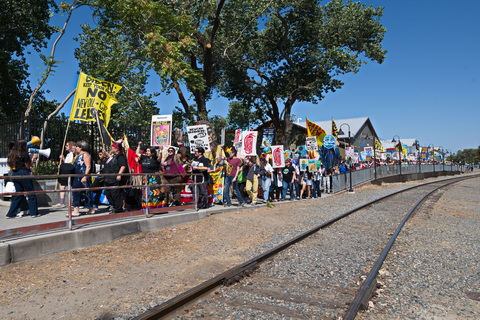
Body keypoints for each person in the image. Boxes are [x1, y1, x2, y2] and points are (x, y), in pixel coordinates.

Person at [6, 140, 40, 218]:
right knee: (31, 193)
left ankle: (11, 214)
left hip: (15, 175)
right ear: (23, 146)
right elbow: (28, 166)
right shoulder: (24, 154)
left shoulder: (12, 154)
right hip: (24, 174)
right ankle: (34, 213)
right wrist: (33, 159)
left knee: (18, 194)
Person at [71, 140, 94, 216]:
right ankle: (79, 208)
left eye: (77, 146)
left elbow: (88, 166)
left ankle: (79, 209)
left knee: (85, 192)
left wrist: (85, 176)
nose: (75, 148)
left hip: (82, 176)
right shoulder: (78, 155)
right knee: (77, 192)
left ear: (81, 147)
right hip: (77, 176)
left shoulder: (85, 154)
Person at [104, 143, 129, 213]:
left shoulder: (120, 157)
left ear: (116, 149)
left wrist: (119, 174)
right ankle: (113, 206)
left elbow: (123, 166)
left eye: (112, 148)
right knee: (108, 193)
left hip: (114, 179)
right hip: (108, 179)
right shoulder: (113, 156)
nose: (111, 149)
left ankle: (118, 209)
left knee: (115, 193)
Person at [52, 141, 76, 208]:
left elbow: (69, 164)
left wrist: (63, 164)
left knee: (65, 186)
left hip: (68, 172)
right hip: (66, 171)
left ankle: (69, 202)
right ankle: (62, 202)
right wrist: (63, 159)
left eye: (67, 145)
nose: (66, 146)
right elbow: (66, 163)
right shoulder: (69, 154)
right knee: (62, 186)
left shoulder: (71, 154)